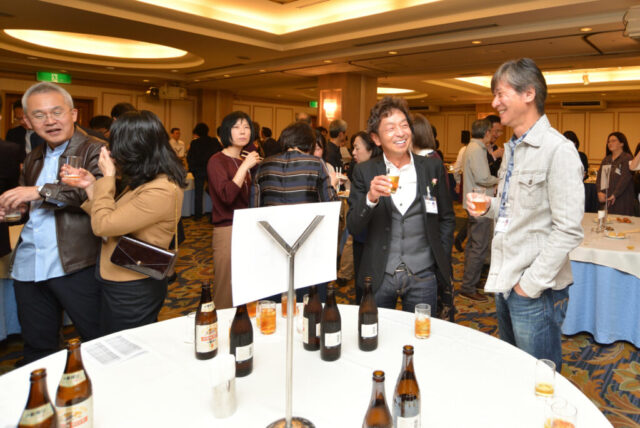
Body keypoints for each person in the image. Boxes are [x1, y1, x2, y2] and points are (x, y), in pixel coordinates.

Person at [467, 58, 584, 370]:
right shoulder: (513, 149)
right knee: (515, 371)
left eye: (500, 94)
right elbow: (516, 210)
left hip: (534, 289)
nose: (494, 103)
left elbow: (568, 230)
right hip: (505, 279)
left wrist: (528, 286)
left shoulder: (558, 150)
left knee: (538, 379)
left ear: (528, 94)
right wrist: (489, 206)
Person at [0, 82, 104, 363]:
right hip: (30, 264)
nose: (50, 121)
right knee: (37, 346)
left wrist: (38, 191)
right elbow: (31, 208)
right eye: (39, 115)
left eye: (57, 112)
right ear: (27, 122)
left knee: (98, 339)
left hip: (77, 262)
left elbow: (93, 194)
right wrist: (17, 208)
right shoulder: (34, 156)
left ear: (73, 114)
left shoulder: (96, 150)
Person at [61, 110, 186, 334]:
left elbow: (103, 226)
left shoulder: (161, 189)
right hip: (121, 275)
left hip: (135, 283)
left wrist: (107, 177)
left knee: (127, 345)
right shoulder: (145, 181)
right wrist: (91, 185)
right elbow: (111, 216)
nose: (112, 152)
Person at [347, 96, 455, 319]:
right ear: (376, 138)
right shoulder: (365, 172)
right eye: (390, 128)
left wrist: (440, 256)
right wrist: (371, 198)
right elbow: (353, 226)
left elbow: (446, 217)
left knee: (420, 334)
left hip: (423, 274)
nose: (400, 133)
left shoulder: (432, 167)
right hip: (379, 273)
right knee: (374, 331)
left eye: (404, 125)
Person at [251, 121, 336, 300]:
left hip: (273, 243)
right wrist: (333, 185)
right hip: (308, 243)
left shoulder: (264, 165)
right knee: (309, 302)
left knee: (275, 302)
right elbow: (330, 207)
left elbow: (254, 210)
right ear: (309, 143)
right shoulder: (316, 164)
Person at [207, 112, 260, 309]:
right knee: (225, 288)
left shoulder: (243, 159)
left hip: (246, 228)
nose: (242, 131)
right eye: (236, 127)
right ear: (227, 132)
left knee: (245, 285)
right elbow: (227, 196)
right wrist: (245, 167)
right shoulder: (217, 160)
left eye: (246, 127)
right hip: (227, 228)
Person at [460, 118, 499, 303]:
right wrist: (500, 180)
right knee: (479, 247)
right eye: (492, 131)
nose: (493, 135)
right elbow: (483, 178)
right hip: (479, 205)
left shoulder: (472, 147)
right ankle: (468, 287)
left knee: (473, 245)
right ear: (486, 132)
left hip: (474, 203)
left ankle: (469, 283)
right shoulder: (477, 149)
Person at [348, 131, 382, 303]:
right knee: (362, 286)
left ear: (371, 149)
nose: (353, 152)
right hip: (361, 235)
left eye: (357, 148)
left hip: (377, 238)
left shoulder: (383, 172)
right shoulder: (359, 170)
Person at [596, 132, 636, 216]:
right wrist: (600, 191)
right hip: (608, 197)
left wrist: (615, 194)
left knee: (620, 221)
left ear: (622, 143)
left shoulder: (627, 158)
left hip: (623, 197)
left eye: (613, 141)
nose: (610, 143)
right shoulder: (606, 159)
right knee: (607, 220)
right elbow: (600, 177)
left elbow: (625, 179)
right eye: (609, 141)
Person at [187, 122, 221, 219]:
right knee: (214, 193)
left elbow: (190, 158)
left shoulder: (194, 143)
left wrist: (192, 169)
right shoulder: (214, 141)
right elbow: (220, 154)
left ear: (197, 132)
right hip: (212, 170)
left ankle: (198, 215)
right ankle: (215, 214)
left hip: (199, 170)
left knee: (198, 193)